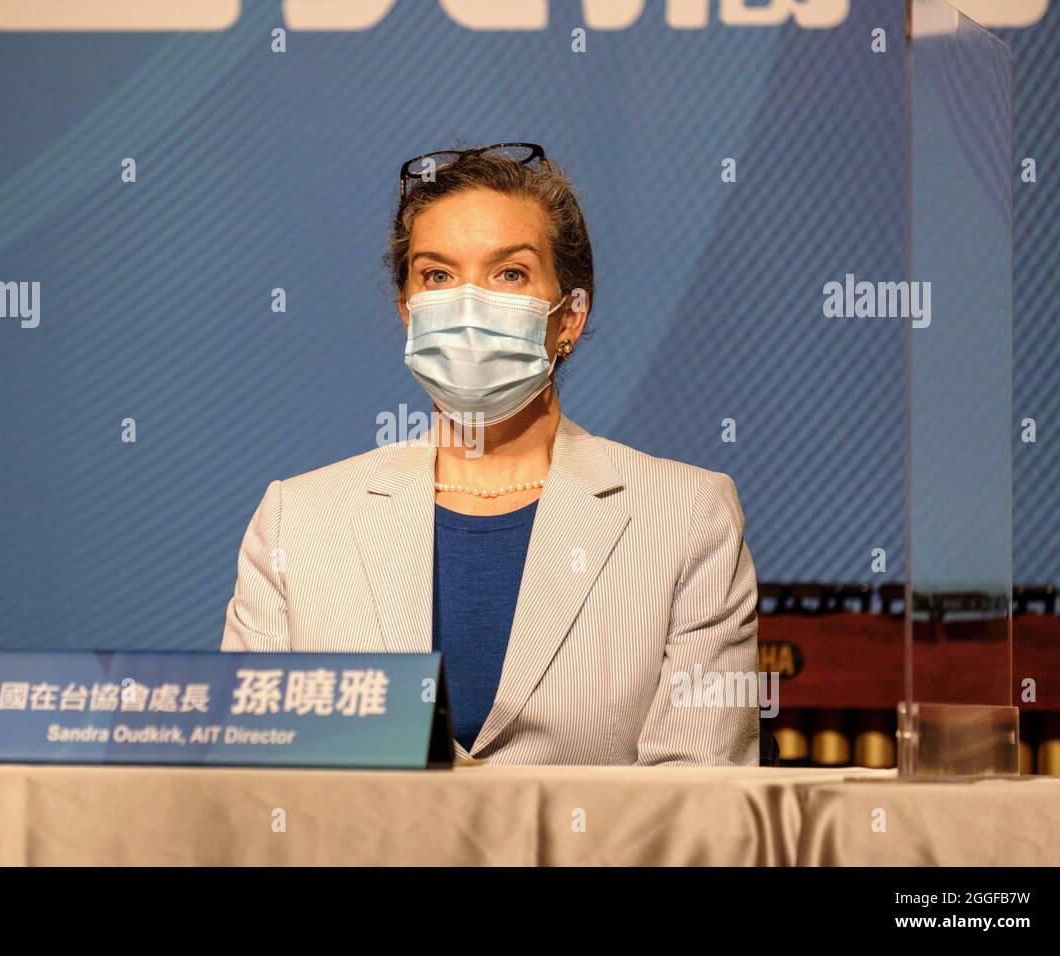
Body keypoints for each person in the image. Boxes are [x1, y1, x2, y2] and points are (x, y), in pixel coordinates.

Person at [223, 144, 759, 765]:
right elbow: (251, 783)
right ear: (407, 313)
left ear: (569, 318)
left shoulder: (687, 516)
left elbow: (696, 804)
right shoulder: (298, 519)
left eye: (509, 274)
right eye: (437, 276)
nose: (468, 307)